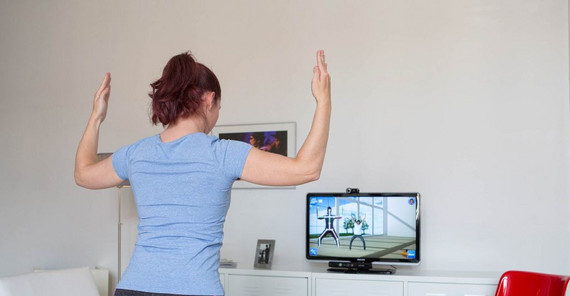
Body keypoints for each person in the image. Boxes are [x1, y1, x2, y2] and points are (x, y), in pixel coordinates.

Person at [74, 50, 331, 296]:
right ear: (209, 100)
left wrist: (96, 117)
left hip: (133, 288)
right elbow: (307, 168)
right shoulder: (222, 154)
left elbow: (83, 174)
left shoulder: (135, 154)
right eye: (218, 106)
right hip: (194, 289)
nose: (217, 115)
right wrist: (323, 100)